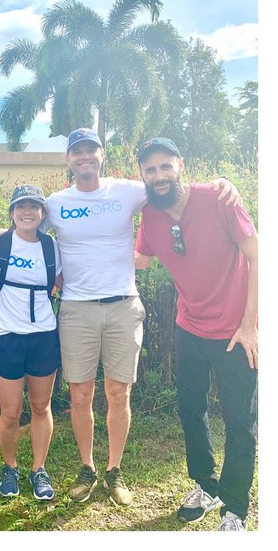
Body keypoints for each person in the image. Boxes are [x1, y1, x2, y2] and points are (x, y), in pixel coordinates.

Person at [47, 127, 239, 507]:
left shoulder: (127, 191)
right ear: (68, 159)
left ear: (102, 155)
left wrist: (221, 184)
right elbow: (19, 229)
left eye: (91, 149)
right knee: (80, 395)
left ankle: (114, 471)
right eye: (77, 151)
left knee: (118, 393)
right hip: (76, 309)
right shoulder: (55, 203)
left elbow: (172, 186)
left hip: (123, 306)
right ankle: (87, 468)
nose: (84, 156)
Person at [133, 137, 257, 531]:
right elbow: (139, 260)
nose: (159, 175)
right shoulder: (149, 214)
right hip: (190, 328)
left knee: (239, 421)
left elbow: (258, 254)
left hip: (236, 332)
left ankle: (235, 509)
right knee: (190, 409)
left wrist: (251, 325)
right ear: (142, 175)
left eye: (165, 166)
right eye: (150, 169)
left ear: (180, 165)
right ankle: (206, 486)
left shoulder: (218, 199)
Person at [0, 183, 62, 503]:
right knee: (11, 411)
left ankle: (39, 468)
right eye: (20, 206)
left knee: (41, 407)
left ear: (43, 213)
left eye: (33, 206)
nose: (27, 212)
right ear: (12, 212)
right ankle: (10, 467)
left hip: (43, 335)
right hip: (5, 336)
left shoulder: (52, 247)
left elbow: (63, 283)